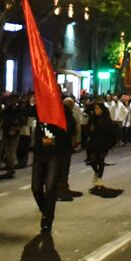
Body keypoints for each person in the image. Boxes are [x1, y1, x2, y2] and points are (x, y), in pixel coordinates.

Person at [31, 96, 77, 234]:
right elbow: (25, 111)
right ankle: (45, 209)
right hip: (39, 153)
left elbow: (70, 129)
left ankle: (47, 220)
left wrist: (53, 138)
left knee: (50, 188)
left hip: (54, 154)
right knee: (36, 187)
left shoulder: (63, 111)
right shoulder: (41, 109)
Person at [82, 99, 116, 190]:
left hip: (103, 143)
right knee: (92, 161)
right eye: (95, 108)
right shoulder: (93, 119)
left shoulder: (107, 120)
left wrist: (111, 143)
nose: (96, 110)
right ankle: (96, 173)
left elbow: (112, 132)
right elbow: (87, 130)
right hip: (93, 143)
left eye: (97, 108)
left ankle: (100, 178)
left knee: (101, 160)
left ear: (102, 109)